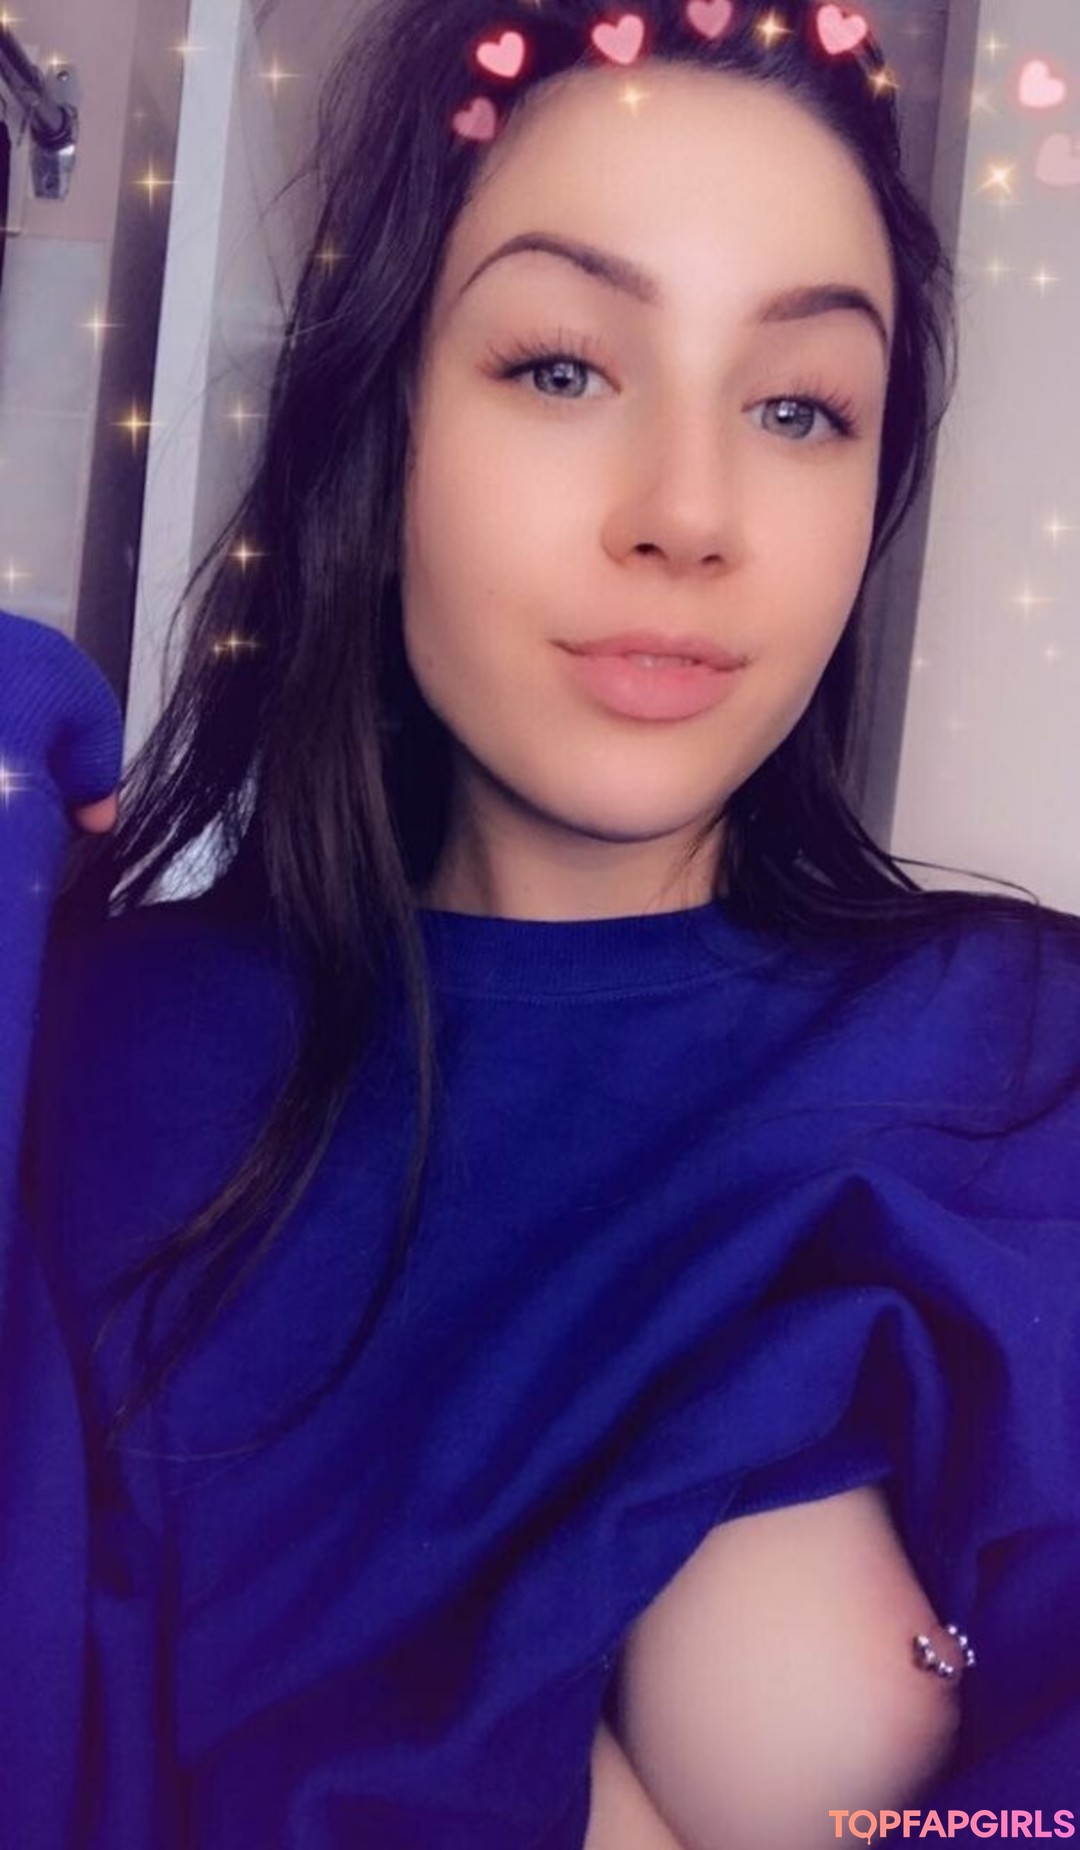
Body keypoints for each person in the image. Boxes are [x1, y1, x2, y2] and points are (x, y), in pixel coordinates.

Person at [1, 0, 1079, 1844]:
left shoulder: (1018, 1073)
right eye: (565, 367)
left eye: (800, 407)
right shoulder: (94, 1075)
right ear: (387, 419)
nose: (690, 513)